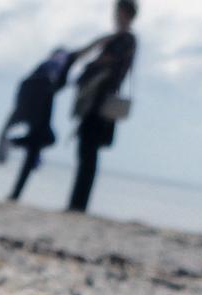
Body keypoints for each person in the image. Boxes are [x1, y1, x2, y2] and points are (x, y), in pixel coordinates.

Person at [67, 0, 138, 213]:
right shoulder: (117, 39)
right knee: (86, 151)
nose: (116, 16)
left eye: (119, 12)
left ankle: (78, 204)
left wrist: (96, 57)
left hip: (101, 102)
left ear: (126, 14)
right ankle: (77, 203)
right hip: (96, 102)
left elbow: (107, 63)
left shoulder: (126, 40)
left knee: (88, 152)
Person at [0, 48, 76, 202]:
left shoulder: (43, 68)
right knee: (46, 141)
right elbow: (58, 82)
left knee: (34, 152)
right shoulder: (53, 68)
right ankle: (13, 143)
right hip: (40, 117)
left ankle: (16, 193)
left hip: (36, 117)